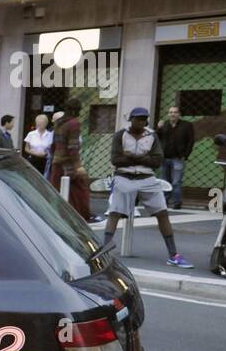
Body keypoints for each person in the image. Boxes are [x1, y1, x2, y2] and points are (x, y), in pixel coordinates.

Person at [101, 107, 192, 268]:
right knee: (115, 212)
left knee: (162, 213)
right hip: (124, 176)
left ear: (146, 121)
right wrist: (144, 158)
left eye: (143, 119)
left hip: (147, 178)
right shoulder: (120, 135)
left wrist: (131, 156)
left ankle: (173, 254)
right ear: (131, 120)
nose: (140, 122)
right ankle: (104, 249)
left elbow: (157, 161)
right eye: (137, 119)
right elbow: (116, 160)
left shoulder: (152, 136)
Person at [50, 99, 99, 222]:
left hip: (57, 163)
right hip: (69, 164)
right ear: (77, 110)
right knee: (80, 191)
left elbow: (53, 145)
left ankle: (61, 217)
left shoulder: (59, 123)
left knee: (59, 192)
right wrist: (78, 167)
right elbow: (73, 147)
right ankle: (83, 217)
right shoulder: (74, 124)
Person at [155, 105, 193, 208]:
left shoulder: (186, 125)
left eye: (175, 112)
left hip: (178, 158)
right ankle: (165, 201)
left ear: (179, 114)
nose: (172, 114)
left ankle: (177, 202)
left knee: (176, 182)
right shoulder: (165, 125)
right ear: (168, 114)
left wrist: (185, 155)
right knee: (165, 181)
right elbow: (157, 138)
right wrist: (159, 128)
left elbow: (190, 141)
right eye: (171, 112)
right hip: (165, 158)